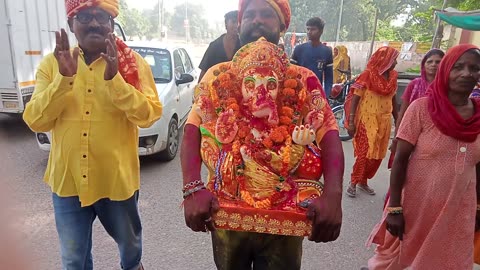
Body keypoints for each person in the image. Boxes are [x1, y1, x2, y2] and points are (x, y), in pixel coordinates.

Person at [180, 0, 344, 269]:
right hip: (228, 212)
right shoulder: (217, 75)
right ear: (239, 23)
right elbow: (192, 130)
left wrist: (333, 196)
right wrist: (191, 188)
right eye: (250, 15)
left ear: (282, 25)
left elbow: (329, 134)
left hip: (287, 214)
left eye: (267, 15)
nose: (257, 21)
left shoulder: (303, 78)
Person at [22, 0, 163, 269]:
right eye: (85, 16)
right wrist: (64, 79)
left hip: (116, 181)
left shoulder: (132, 64)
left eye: (102, 17)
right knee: (74, 260)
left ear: (112, 25)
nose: (95, 23)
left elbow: (149, 116)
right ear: (71, 24)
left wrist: (115, 81)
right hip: (68, 181)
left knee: (131, 253)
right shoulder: (52, 65)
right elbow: (35, 120)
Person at [366, 44, 480, 269]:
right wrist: (395, 209)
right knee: (400, 261)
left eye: (474, 68)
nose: (466, 73)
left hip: (460, 210)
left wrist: (478, 207)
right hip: (417, 208)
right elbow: (400, 160)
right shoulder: (422, 109)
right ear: (447, 70)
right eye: (458, 67)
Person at [345, 46, 399, 197]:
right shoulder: (367, 75)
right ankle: (354, 182)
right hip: (366, 120)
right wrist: (351, 121)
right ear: (385, 60)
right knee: (364, 153)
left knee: (377, 155)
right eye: (393, 59)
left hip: (384, 121)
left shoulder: (393, 76)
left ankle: (364, 181)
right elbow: (356, 98)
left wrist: (398, 119)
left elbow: (393, 99)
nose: (395, 62)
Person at [387, 49, 444, 168]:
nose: (434, 64)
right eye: (430, 62)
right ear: (424, 65)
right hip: (410, 133)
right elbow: (402, 113)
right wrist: (396, 138)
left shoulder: (448, 87)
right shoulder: (414, 85)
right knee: (404, 168)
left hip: (436, 135)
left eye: (438, 61)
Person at [291, 17, 334, 97]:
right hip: (298, 93)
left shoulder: (327, 51)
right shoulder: (299, 49)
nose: (309, 32)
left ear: (321, 31)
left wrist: (325, 96)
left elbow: (328, 78)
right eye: (308, 29)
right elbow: (290, 72)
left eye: (313, 29)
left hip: (316, 94)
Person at [198, 10, 241, 82]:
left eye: (239, 23)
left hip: (237, 90)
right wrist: (198, 90)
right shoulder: (214, 46)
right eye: (233, 22)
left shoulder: (244, 46)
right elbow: (204, 71)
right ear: (226, 25)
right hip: (215, 89)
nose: (236, 25)